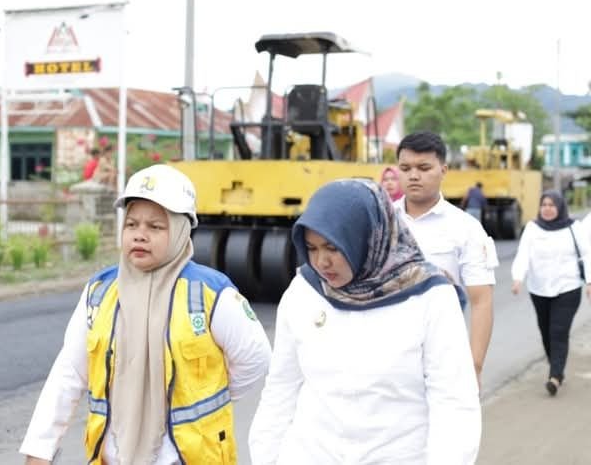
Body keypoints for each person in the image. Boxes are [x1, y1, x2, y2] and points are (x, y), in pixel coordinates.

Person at [20, 164, 272, 464]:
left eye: (155, 226)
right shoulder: (99, 292)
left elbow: (255, 358)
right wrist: (39, 449)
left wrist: (203, 391)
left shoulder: (209, 293)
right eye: (132, 224)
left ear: (181, 231)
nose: (140, 235)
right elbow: (69, 373)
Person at [248, 179, 481, 464]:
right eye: (311, 247)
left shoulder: (430, 297)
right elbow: (281, 389)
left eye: (333, 248)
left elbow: (454, 403)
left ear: (366, 237)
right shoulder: (304, 292)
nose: (321, 261)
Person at [395, 131, 497, 387]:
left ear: (443, 170)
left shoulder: (466, 228)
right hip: (387, 356)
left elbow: (481, 301)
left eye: (424, 167)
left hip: (443, 355)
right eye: (405, 168)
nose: (414, 175)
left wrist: (474, 366)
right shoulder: (380, 220)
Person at [511, 190, 591, 396]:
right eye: (544, 204)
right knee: (546, 331)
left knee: (558, 331)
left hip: (568, 287)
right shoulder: (532, 228)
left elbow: (587, 253)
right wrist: (518, 277)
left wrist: (589, 281)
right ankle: (557, 367)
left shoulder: (574, 227)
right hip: (539, 289)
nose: (547, 209)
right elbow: (523, 254)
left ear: (560, 207)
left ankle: (555, 376)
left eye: (552, 205)